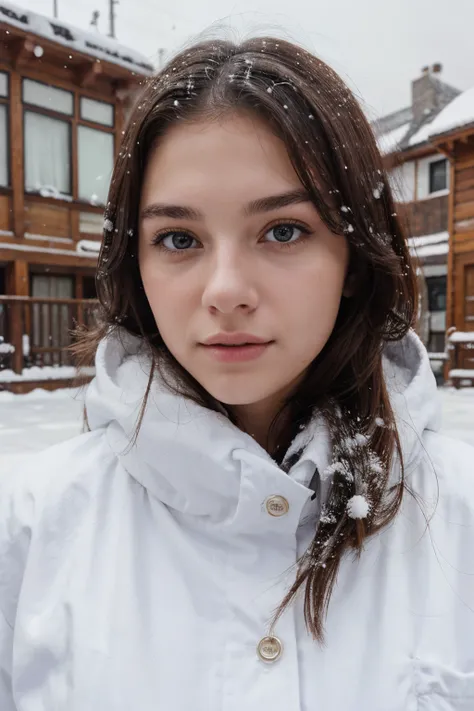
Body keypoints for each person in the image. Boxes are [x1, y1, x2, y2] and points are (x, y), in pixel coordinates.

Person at [1, 37, 474, 711]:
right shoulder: (33, 524)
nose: (225, 290)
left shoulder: (460, 517)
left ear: (354, 255)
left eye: (282, 231)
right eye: (179, 239)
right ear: (135, 262)